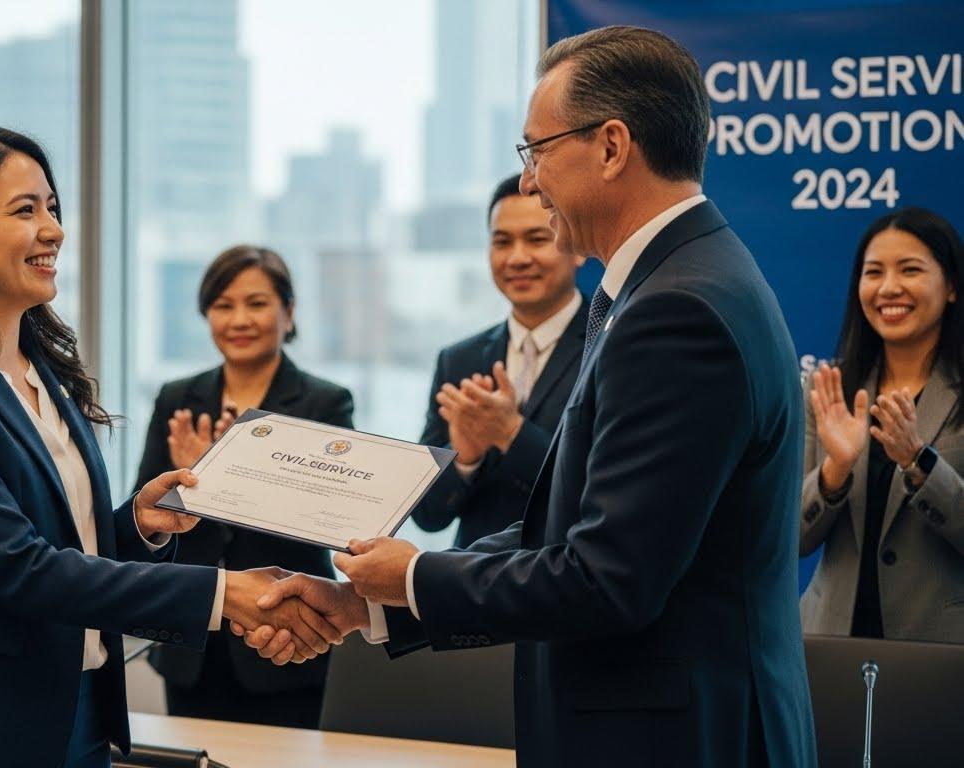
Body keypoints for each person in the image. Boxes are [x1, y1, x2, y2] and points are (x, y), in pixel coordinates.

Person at [239, 26, 818, 767]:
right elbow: (568, 533)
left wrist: (414, 574)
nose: (527, 183)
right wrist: (369, 604)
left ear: (611, 147)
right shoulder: (679, 281)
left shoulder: (678, 310)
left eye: (536, 151)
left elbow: (606, 579)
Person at [0, 125, 340, 768]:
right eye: (25, 210)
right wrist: (226, 595)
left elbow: (63, 547)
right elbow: (17, 568)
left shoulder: (40, 370)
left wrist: (136, 523)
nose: (54, 229)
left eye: (53, 208)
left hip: (76, 715)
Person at [136, 245, 353, 728]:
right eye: (223, 305)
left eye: (256, 304)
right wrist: (184, 484)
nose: (239, 319)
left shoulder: (324, 403)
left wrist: (223, 480)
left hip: (288, 636)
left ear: (289, 312)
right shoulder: (178, 399)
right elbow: (144, 523)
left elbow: (329, 518)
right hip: (192, 636)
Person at [800, 207, 964, 642]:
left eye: (910, 270)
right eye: (874, 272)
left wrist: (918, 461)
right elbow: (789, 536)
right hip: (832, 643)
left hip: (940, 653)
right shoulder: (827, 389)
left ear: (951, 286)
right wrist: (835, 469)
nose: (889, 288)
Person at [411, 174, 586, 547]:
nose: (518, 258)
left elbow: (595, 490)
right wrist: (465, 460)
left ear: (578, 245)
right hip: (466, 590)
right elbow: (426, 516)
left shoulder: (608, 344)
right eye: (502, 242)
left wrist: (510, 433)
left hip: (569, 583)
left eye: (538, 239)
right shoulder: (459, 360)